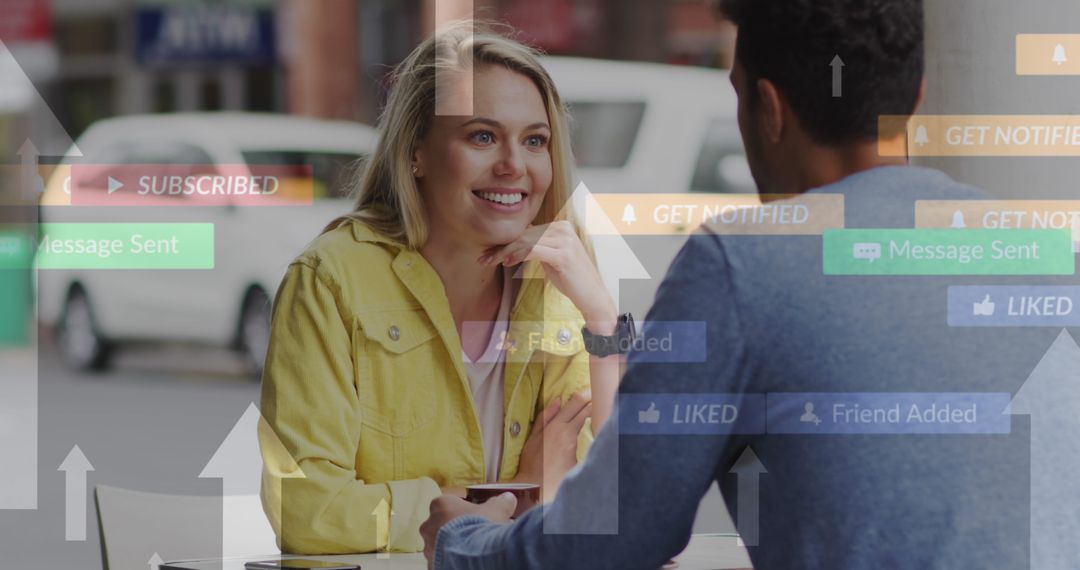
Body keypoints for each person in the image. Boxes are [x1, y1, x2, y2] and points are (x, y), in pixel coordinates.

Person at [421, 0, 1080, 568]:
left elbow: (609, 540)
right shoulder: (1049, 254)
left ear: (767, 107)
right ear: (915, 97)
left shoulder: (740, 266)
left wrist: (463, 541)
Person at [258, 21, 623, 555]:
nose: (513, 166)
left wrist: (603, 322)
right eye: (481, 136)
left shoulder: (560, 277)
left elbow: (617, 511)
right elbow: (305, 509)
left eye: (535, 141)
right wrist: (507, 500)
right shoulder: (330, 280)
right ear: (416, 152)